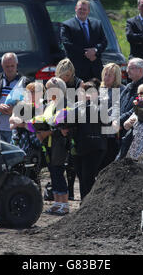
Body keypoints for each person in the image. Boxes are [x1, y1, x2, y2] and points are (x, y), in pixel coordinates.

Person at [32, 77, 70, 215]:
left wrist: (46, 132)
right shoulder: (51, 104)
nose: (47, 92)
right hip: (50, 143)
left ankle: (65, 204)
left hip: (59, 144)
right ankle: (57, 202)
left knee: (58, 172)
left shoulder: (64, 104)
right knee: (53, 172)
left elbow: (63, 129)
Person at [69, 79, 108, 200]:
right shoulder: (77, 106)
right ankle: (84, 202)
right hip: (80, 146)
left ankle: (88, 202)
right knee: (81, 176)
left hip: (95, 147)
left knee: (88, 177)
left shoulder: (100, 106)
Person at [54, 58, 83, 200]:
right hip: (59, 124)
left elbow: (80, 104)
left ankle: (70, 189)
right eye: (62, 76)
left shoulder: (78, 83)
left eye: (67, 76)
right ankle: (60, 189)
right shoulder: (56, 83)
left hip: (73, 125)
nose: (64, 79)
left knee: (72, 160)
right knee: (59, 159)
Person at [60, 0, 108, 81]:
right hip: (76, 70)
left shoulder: (97, 24)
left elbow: (104, 42)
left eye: (84, 9)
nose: (82, 11)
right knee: (73, 93)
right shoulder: (67, 25)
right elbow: (67, 44)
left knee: (100, 93)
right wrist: (86, 53)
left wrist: (95, 50)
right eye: (80, 9)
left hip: (95, 68)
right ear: (76, 9)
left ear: (88, 11)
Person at [0, 52, 28, 143]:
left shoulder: (24, 82)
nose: (10, 69)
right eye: (7, 66)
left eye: (12, 66)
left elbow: (31, 105)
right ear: (2, 65)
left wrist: (15, 110)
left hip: (16, 130)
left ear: (16, 65)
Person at [114, 57, 143, 161]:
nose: (127, 71)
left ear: (141, 70)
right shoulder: (128, 86)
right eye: (127, 68)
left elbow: (137, 109)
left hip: (132, 131)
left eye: (131, 68)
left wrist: (119, 121)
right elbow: (117, 104)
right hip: (120, 129)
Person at [99, 63, 125, 169]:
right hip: (100, 133)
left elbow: (118, 109)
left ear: (116, 77)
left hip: (113, 133)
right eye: (105, 74)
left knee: (110, 162)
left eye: (110, 75)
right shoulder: (100, 89)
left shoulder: (121, 90)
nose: (106, 77)